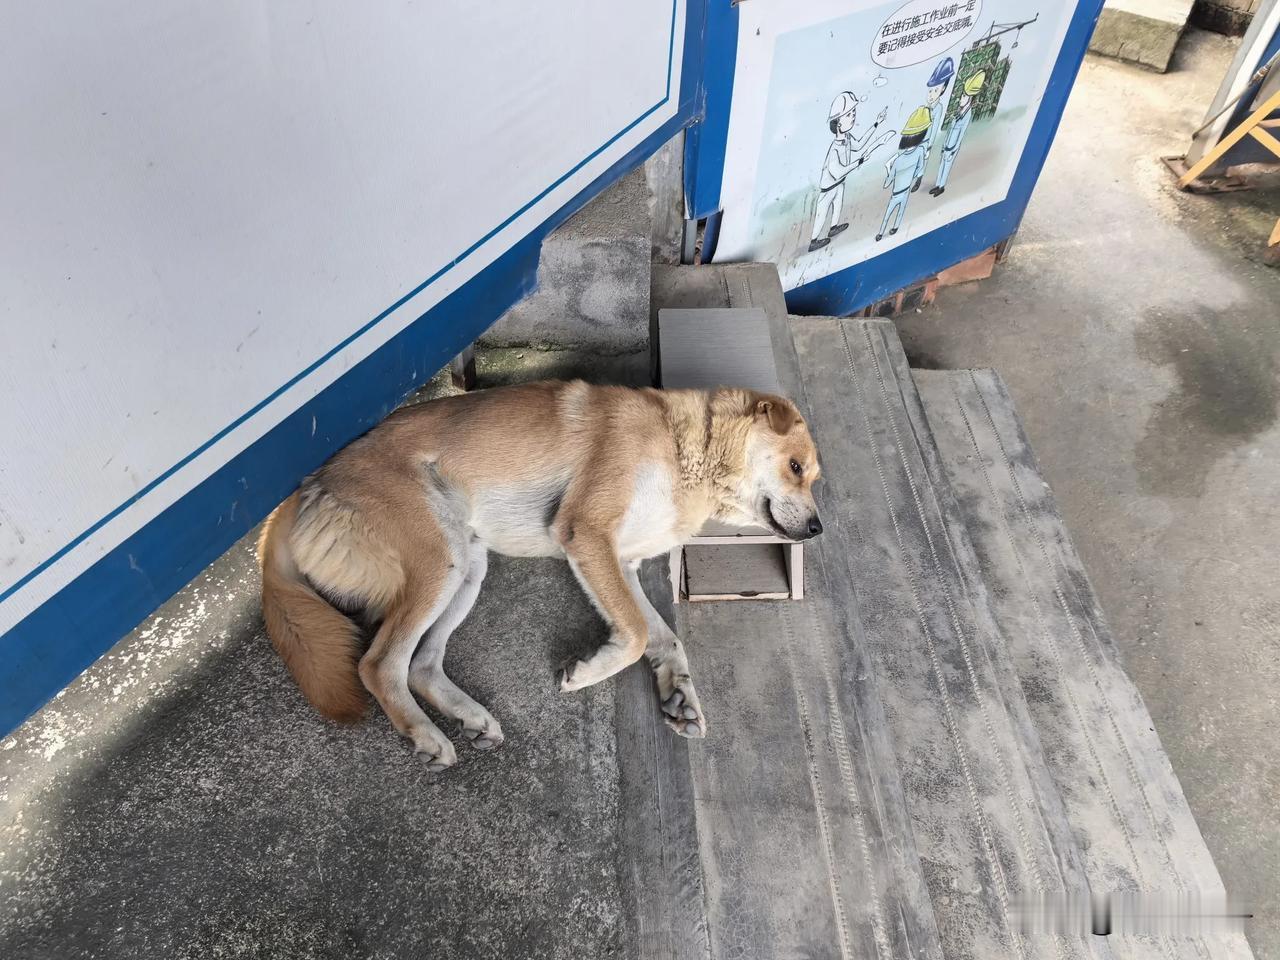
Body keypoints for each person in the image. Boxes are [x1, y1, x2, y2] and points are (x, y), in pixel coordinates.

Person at [809, 91, 888, 252]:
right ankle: (813, 241)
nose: (853, 117)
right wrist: (859, 162)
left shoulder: (848, 138)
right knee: (821, 214)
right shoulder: (835, 149)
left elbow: (859, 146)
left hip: (839, 183)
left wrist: (876, 124)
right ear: (838, 122)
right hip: (829, 187)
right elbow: (837, 172)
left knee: (838, 206)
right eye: (849, 114)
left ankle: (834, 227)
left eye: (853, 113)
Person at [877, 107, 931, 241]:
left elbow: (887, 183)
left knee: (889, 213)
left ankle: (881, 233)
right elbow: (920, 168)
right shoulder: (920, 151)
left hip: (896, 192)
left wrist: (889, 171)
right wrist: (913, 177)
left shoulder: (898, 160)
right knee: (901, 211)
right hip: (906, 190)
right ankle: (895, 227)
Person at [931, 70, 986, 197]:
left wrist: (953, 149)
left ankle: (941, 186)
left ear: (970, 98)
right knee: (941, 165)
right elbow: (950, 129)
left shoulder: (967, 114)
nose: (961, 99)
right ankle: (937, 185)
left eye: (964, 97)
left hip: (953, 147)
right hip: (947, 145)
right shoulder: (958, 112)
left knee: (947, 166)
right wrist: (944, 145)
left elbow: (960, 134)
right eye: (962, 96)